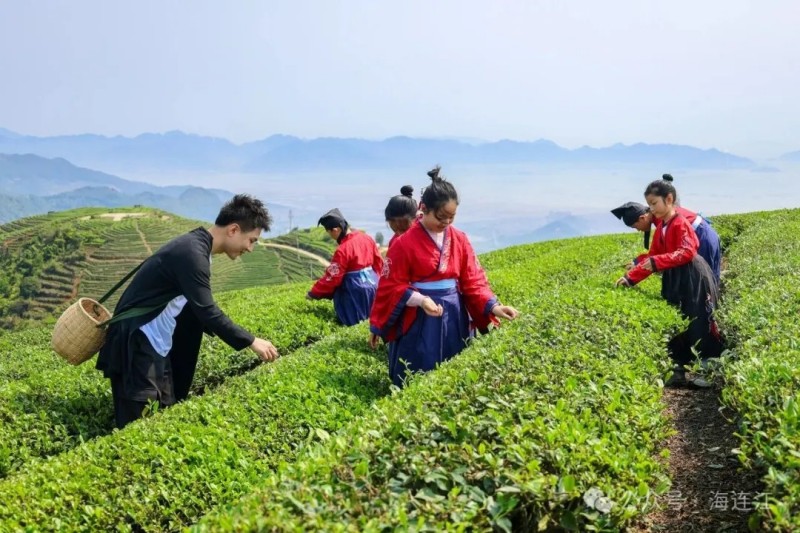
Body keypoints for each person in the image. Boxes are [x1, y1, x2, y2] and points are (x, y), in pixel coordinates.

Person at [96, 194, 279, 429]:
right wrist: (252, 341)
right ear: (233, 230)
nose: (250, 248)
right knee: (136, 424)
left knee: (164, 414)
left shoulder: (199, 249)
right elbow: (207, 310)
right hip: (138, 342)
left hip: (156, 343)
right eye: (251, 240)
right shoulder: (193, 254)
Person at [369, 166, 519, 387]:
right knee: (418, 372)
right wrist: (421, 300)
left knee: (453, 372)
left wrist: (493, 306)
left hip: (453, 313)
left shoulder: (460, 239)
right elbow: (390, 285)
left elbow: (473, 280)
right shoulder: (403, 244)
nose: (446, 222)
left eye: (452, 217)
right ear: (424, 209)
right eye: (441, 217)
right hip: (418, 316)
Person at [615, 178, 723, 388]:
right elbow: (653, 255)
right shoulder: (662, 227)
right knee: (679, 318)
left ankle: (708, 372)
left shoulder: (679, 222)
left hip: (693, 276)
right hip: (677, 276)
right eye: (649, 204)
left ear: (669, 199)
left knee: (699, 318)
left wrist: (658, 262)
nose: (651, 209)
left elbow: (687, 251)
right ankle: (679, 370)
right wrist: (630, 278)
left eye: (654, 203)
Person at [611, 176, 721, 283]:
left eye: (635, 226)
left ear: (642, 218)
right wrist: (635, 267)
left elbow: (671, 252)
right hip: (701, 234)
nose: (638, 230)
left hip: (702, 235)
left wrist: (639, 265)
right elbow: (657, 253)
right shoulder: (660, 220)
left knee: (706, 279)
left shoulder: (663, 218)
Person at [307, 208, 383, 326]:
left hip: (355, 292)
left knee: (355, 325)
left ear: (336, 230)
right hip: (373, 286)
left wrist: (313, 293)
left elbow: (332, 278)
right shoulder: (366, 238)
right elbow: (379, 264)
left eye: (329, 232)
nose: (330, 236)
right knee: (371, 324)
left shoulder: (343, 249)